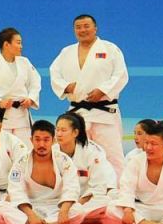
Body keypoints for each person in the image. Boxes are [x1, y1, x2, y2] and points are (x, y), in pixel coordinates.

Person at [49, 13, 128, 158]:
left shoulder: (110, 49)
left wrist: (103, 90)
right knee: (77, 155)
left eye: (86, 26)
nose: (82, 30)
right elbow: (54, 73)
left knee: (112, 156)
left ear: (95, 28)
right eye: (78, 27)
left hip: (105, 112)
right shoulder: (67, 52)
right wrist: (66, 87)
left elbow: (121, 74)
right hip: (77, 113)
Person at [0, 121, 86, 224]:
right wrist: (31, 215)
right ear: (31, 140)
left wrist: (64, 211)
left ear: (53, 141)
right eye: (37, 140)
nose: (41, 144)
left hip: (56, 206)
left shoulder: (64, 160)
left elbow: (71, 187)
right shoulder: (21, 162)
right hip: (30, 206)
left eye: (46, 140)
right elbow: (16, 190)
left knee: (79, 211)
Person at [0, 27, 40, 141]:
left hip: (21, 115)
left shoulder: (24, 62)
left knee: (24, 148)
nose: (21, 46)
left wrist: (30, 99)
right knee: (1, 148)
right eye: (18, 43)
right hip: (0, 115)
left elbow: (35, 82)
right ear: (6, 44)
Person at [55, 112, 116, 223]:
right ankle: (78, 217)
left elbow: (98, 187)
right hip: (60, 200)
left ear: (75, 132)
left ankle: (71, 216)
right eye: (57, 129)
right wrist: (66, 204)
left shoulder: (92, 152)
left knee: (106, 201)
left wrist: (77, 204)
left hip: (85, 199)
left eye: (63, 130)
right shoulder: (52, 151)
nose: (59, 134)